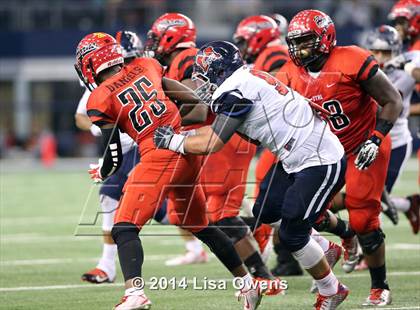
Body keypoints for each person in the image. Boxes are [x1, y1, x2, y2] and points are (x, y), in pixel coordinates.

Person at [154, 40, 349, 309]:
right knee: (266, 211)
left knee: (293, 236)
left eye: (205, 74)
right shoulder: (247, 76)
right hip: (295, 154)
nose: (202, 82)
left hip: (318, 159)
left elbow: (212, 142)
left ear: (219, 71)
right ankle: (325, 247)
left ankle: (332, 289)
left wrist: (172, 141)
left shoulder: (233, 91)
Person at [75, 32, 262, 310]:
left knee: (124, 227)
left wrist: (104, 170)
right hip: (184, 149)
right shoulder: (146, 65)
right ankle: (248, 283)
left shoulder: (99, 98)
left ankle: (135, 293)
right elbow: (194, 104)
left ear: (90, 64)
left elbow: (112, 150)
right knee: (203, 226)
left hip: (158, 155)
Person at [276, 10, 403, 306]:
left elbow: (392, 99)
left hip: (364, 144)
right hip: (325, 151)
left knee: (363, 217)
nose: (299, 49)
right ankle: (345, 236)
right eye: (295, 43)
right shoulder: (290, 72)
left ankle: (379, 285)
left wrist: (376, 137)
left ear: (324, 38)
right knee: (306, 212)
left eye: (306, 41)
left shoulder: (352, 58)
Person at [146, 13, 281, 293]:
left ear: (172, 36)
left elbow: (196, 105)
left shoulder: (186, 59)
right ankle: (262, 259)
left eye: (158, 37)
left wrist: (163, 118)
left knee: (218, 213)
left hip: (218, 137)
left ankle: (263, 267)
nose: (155, 43)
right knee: (193, 213)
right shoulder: (174, 62)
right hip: (213, 137)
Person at [74, 30, 143, 284]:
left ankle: (238, 231)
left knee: (174, 212)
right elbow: (82, 116)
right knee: (111, 197)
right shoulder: (100, 89)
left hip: (148, 147)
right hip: (129, 149)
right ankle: (107, 266)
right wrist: (100, 128)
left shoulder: (143, 71)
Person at [366, 25, 420, 234]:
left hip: (394, 140)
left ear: (396, 51)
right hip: (366, 140)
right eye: (375, 51)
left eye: (385, 52)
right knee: (361, 197)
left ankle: (366, 249)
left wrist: (406, 67)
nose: (379, 57)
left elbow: (386, 104)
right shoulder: (361, 65)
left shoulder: (408, 63)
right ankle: (409, 205)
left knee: (372, 200)